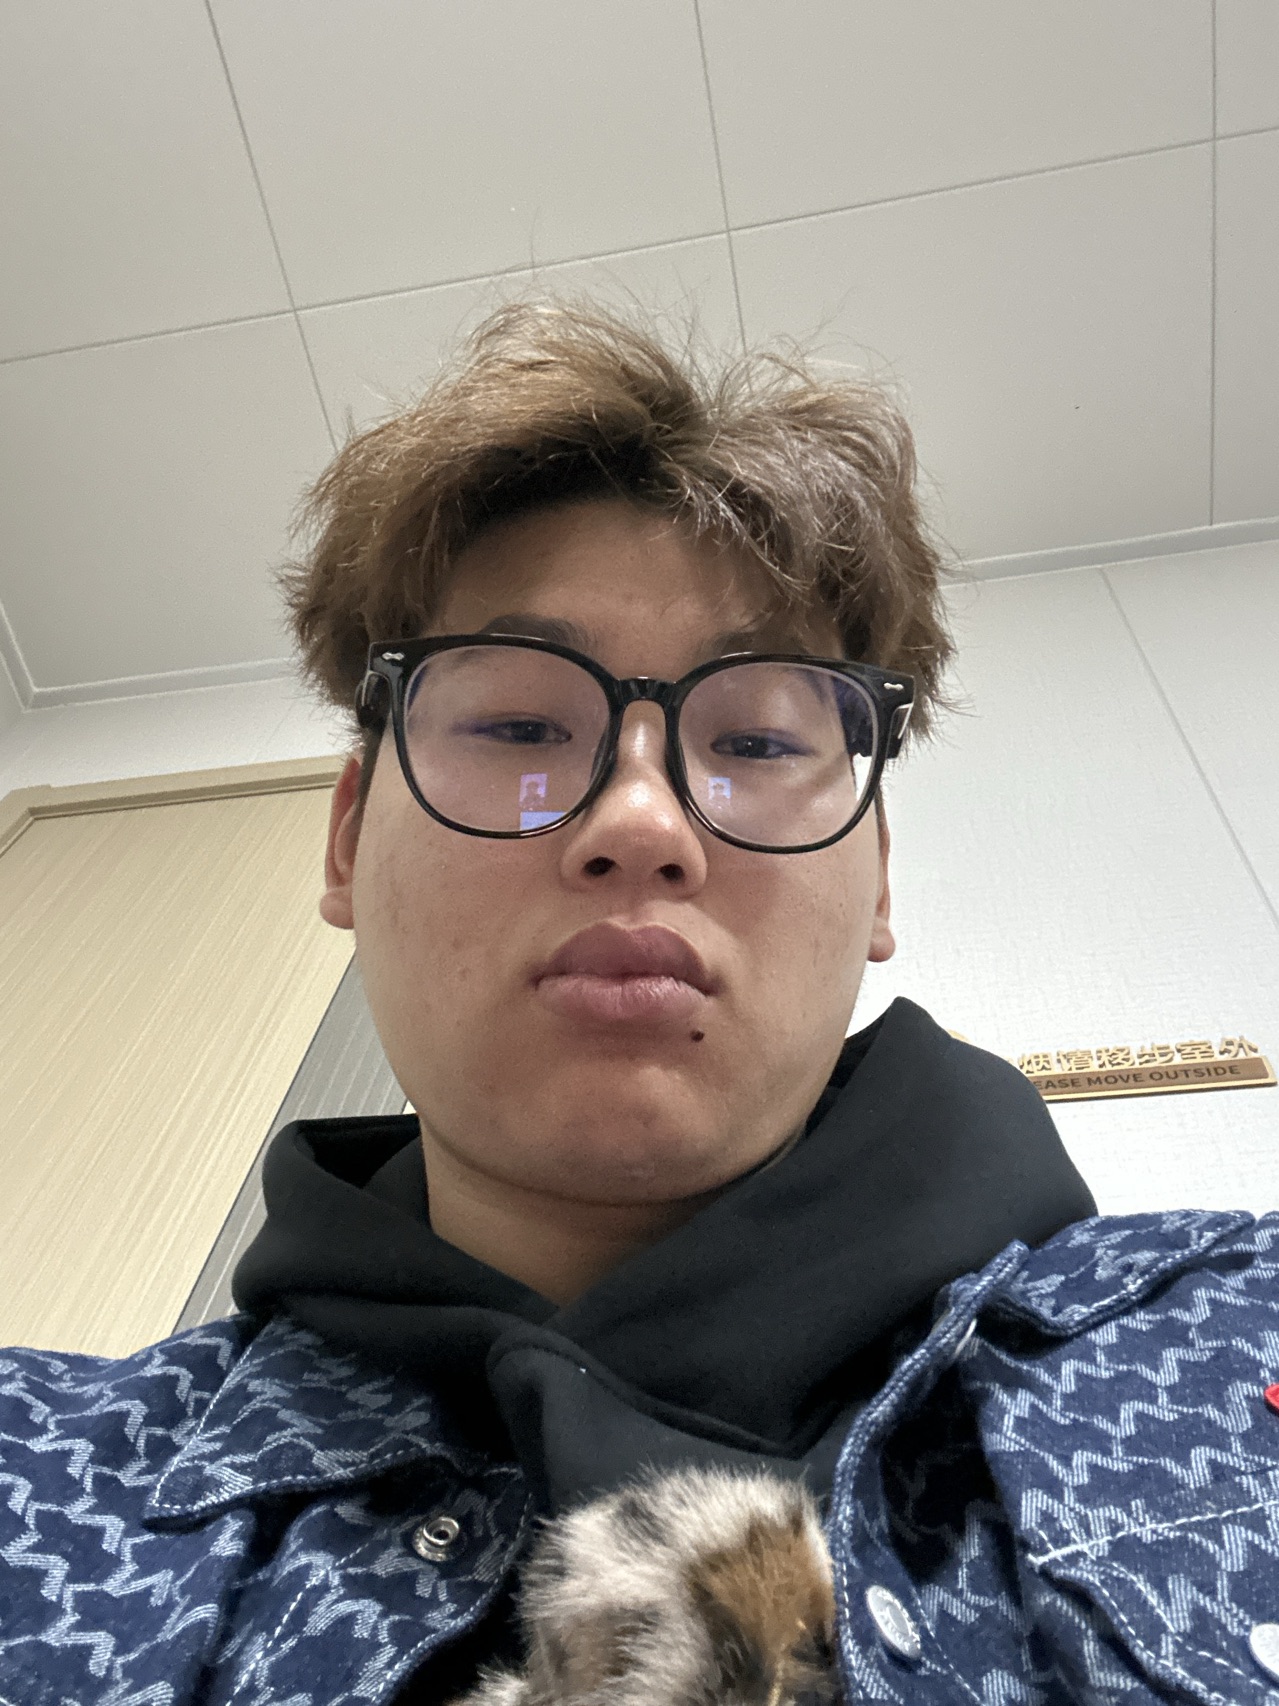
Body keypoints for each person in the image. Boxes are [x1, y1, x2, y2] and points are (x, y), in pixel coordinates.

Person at [2, 302, 1277, 1706]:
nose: (642, 822)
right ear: (350, 838)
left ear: (878, 876)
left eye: (757, 740)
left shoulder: (1235, 1348)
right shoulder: (38, 1489)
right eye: (518, 725)